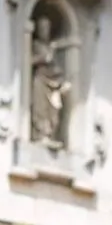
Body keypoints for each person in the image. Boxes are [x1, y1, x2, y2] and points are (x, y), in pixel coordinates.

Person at [30, 14, 70, 150]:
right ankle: (41, 136)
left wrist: (62, 81)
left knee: (54, 111)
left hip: (52, 82)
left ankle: (52, 136)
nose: (44, 30)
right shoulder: (35, 44)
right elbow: (29, 61)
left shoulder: (51, 47)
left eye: (46, 28)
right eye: (41, 28)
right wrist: (42, 58)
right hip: (40, 80)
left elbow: (55, 66)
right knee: (40, 109)